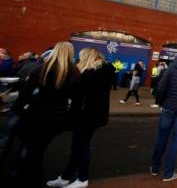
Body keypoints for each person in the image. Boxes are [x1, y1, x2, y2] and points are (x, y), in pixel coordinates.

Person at [14, 42, 81, 187]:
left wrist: (19, 109)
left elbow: (25, 94)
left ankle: (28, 178)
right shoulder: (75, 72)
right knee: (38, 149)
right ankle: (32, 177)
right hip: (56, 118)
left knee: (33, 150)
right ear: (71, 53)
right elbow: (77, 100)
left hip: (35, 115)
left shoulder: (41, 69)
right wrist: (69, 121)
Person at [47, 48, 115, 188]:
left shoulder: (92, 73)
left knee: (81, 146)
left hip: (86, 115)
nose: (79, 59)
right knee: (77, 145)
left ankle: (82, 178)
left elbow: (80, 94)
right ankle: (66, 176)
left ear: (87, 56)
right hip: (92, 115)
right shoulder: (103, 70)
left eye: (81, 56)